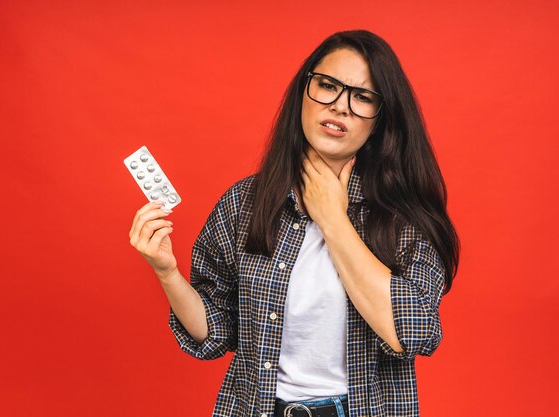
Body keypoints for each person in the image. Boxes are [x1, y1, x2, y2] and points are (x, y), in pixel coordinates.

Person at [129, 29, 460, 417]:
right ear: (303, 93)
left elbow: (412, 333)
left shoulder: (406, 219)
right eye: (327, 86)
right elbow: (216, 330)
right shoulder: (244, 203)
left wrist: (332, 217)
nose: (340, 106)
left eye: (363, 97)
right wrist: (167, 273)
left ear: (380, 120)